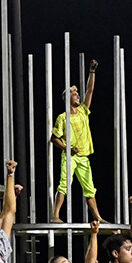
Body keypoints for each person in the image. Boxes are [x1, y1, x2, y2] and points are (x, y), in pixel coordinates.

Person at [50, 60, 103, 223]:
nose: (78, 95)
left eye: (77, 93)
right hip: (70, 156)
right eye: (74, 93)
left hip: (84, 157)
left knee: (90, 188)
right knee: (64, 185)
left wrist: (91, 72)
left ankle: (98, 217)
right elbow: (54, 138)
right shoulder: (63, 117)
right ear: (67, 98)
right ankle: (56, 215)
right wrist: (67, 147)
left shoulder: (82, 111)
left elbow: (90, 90)